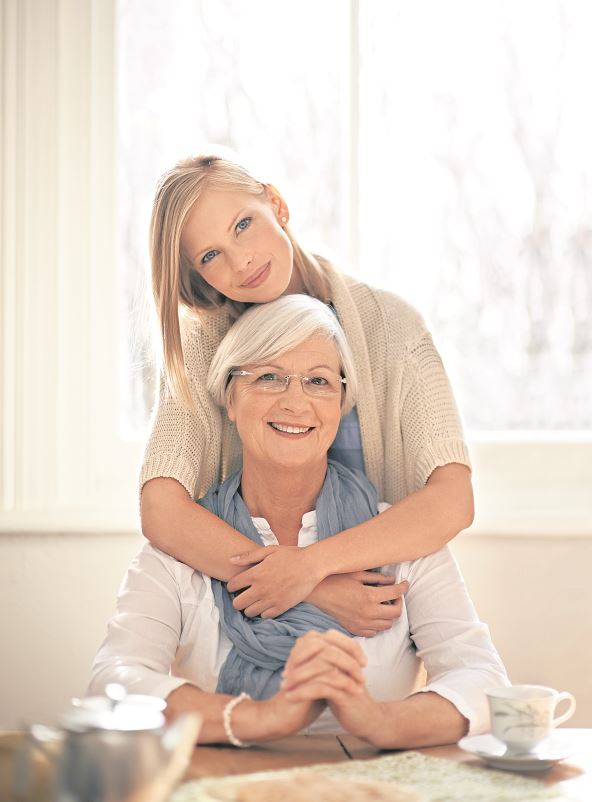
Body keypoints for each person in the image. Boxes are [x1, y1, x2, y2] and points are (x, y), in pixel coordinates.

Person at [90, 296, 508, 748]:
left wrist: (378, 721)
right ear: (230, 398)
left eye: (319, 381)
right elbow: (113, 684)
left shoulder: (400, 546)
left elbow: (484, 681)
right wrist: (261, 717)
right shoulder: (178, 554)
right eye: (269, 377)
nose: (296, 402)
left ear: (342, 404)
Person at [140, 150, 474, 631]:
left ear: (276, 203)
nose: (243, 260)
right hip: (245, 616)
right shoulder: (201, 346)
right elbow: (161, 509)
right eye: (211, 256)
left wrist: (312, 565)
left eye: (243, 225)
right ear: (199, 275)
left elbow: (453, 499)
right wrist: (310, 588)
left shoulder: (393, 328)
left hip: (378, 616)